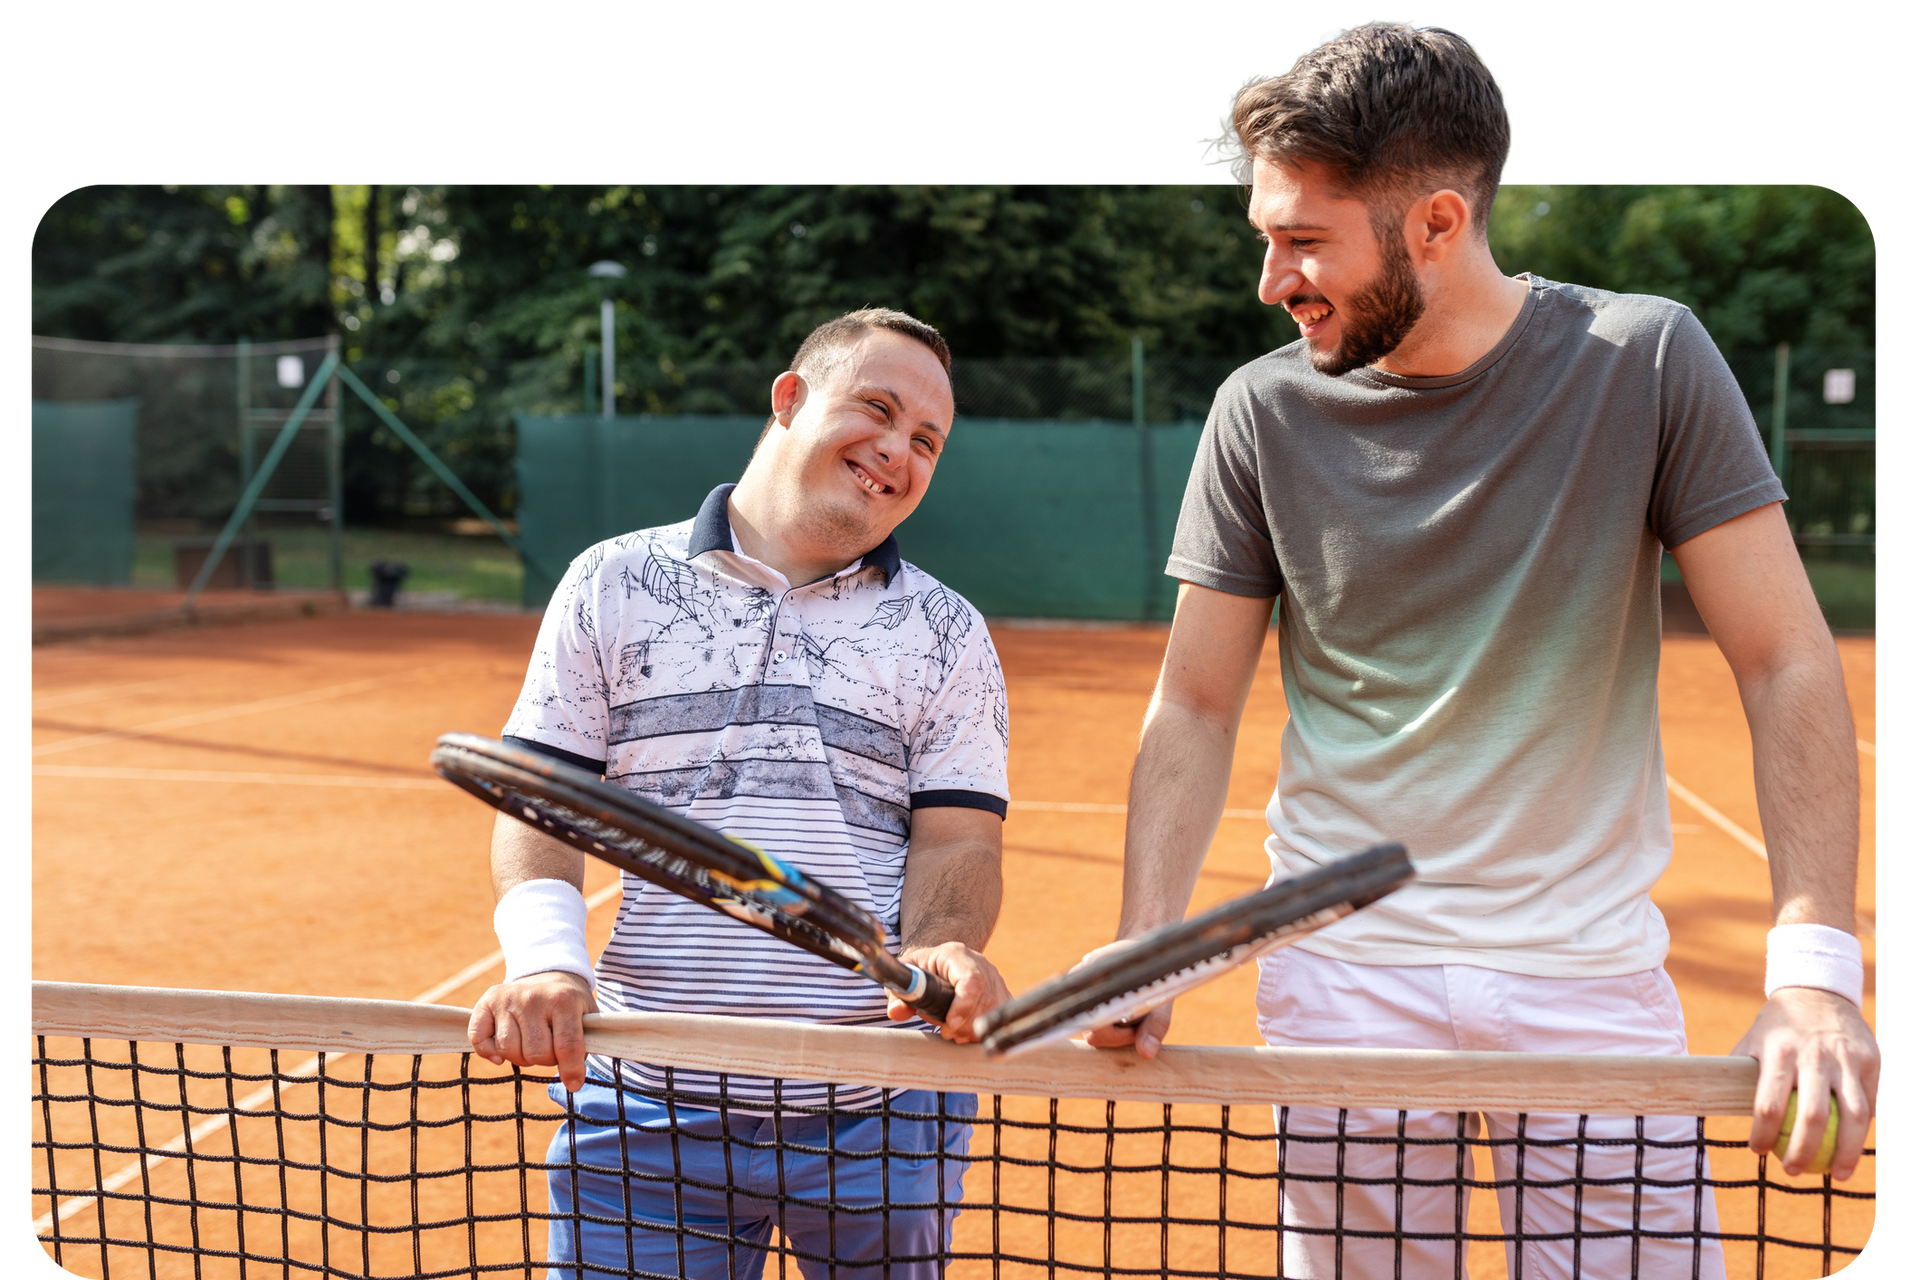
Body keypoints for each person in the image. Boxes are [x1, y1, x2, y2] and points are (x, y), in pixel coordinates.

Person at [1084, 20, 1880, 1278]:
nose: (1272, 280)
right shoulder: (1260, 413)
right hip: (1345, 982)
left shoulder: (1647, 357)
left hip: (1589, 980)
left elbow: (1785, 655)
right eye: (1267, 239)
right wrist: (1148, 931)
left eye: (1304, 242)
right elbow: (1191, 698)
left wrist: (1817, 972)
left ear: (1439, 222)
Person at [468, 307, 1013, 1278]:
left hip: (881, 1106)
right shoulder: (611, 583)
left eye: (927, 440)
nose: (899, 449)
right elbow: (541, 805)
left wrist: (938, 942)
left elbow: (959, 839)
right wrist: (548, 961)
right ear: (790, 398)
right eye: (878, 409)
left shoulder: (949, 631)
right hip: (641, 1106)